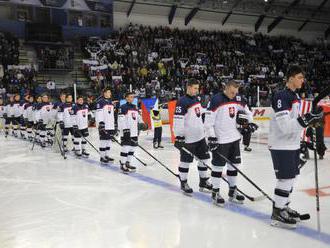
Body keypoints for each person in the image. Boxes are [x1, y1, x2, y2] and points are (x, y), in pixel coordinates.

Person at [268, 65, 323, 229]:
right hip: (281, 144)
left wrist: (311, 122)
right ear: (291, 78)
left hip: (291, 144)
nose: (302, 80)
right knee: (285, 178)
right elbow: (285, 126)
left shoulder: (295, 96)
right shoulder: (281, 96)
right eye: (299, 77)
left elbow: (297, 122)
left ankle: (283, 206)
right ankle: (277, 212)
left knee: (291, 178)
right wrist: (307, 119)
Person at [205, 80, 253, 206]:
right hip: (221, 140)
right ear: (225, 88)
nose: (234, 94)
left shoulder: (238, 98)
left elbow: (247, 112)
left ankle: (233, 190)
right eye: (232, 92)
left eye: (236, 92)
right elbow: (208, 121)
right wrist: (211, 137)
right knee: (218, 167)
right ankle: (215, 192)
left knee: (234, 166)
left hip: (235, 138)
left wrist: (250, 123)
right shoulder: (216, 100)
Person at [173, 78, 212, 195]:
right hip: (188, 139)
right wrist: (179, 136)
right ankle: (183, 182)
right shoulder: (182, 101)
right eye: (195, 88)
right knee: (185, 161)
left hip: (200, 137)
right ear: (188, 87)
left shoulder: (197, 99)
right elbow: (178, 120)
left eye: (198, 88)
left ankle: (203, 181)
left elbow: (198, 114)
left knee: (204, 159)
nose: (197, 90)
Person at [118, 92, 140, 173]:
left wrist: (142, 124)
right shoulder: (123, 107)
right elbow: (121, 119)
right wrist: (125, 129)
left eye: (133, 97)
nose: (132, 98)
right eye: (130, 97)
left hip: (134, 131)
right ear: (126, 98)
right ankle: (122, 164)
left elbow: (137, 118)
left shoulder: (135, 107)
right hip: (126, 131)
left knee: (132, 147)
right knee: (126, 147)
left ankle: (128, 162)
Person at [95, 88, 116, 163]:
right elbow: (98, 113)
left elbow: (111, 114)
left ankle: (107, 155)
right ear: (104, 93)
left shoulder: (110, 102)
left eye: (110, 92)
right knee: (103, 141)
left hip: (110, 124)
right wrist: (101, 123)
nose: (110, 93)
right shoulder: (100, 102)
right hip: (104, 124)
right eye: (108, 92)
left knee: (109, 141)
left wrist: (114, 124)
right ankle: (102, 157)